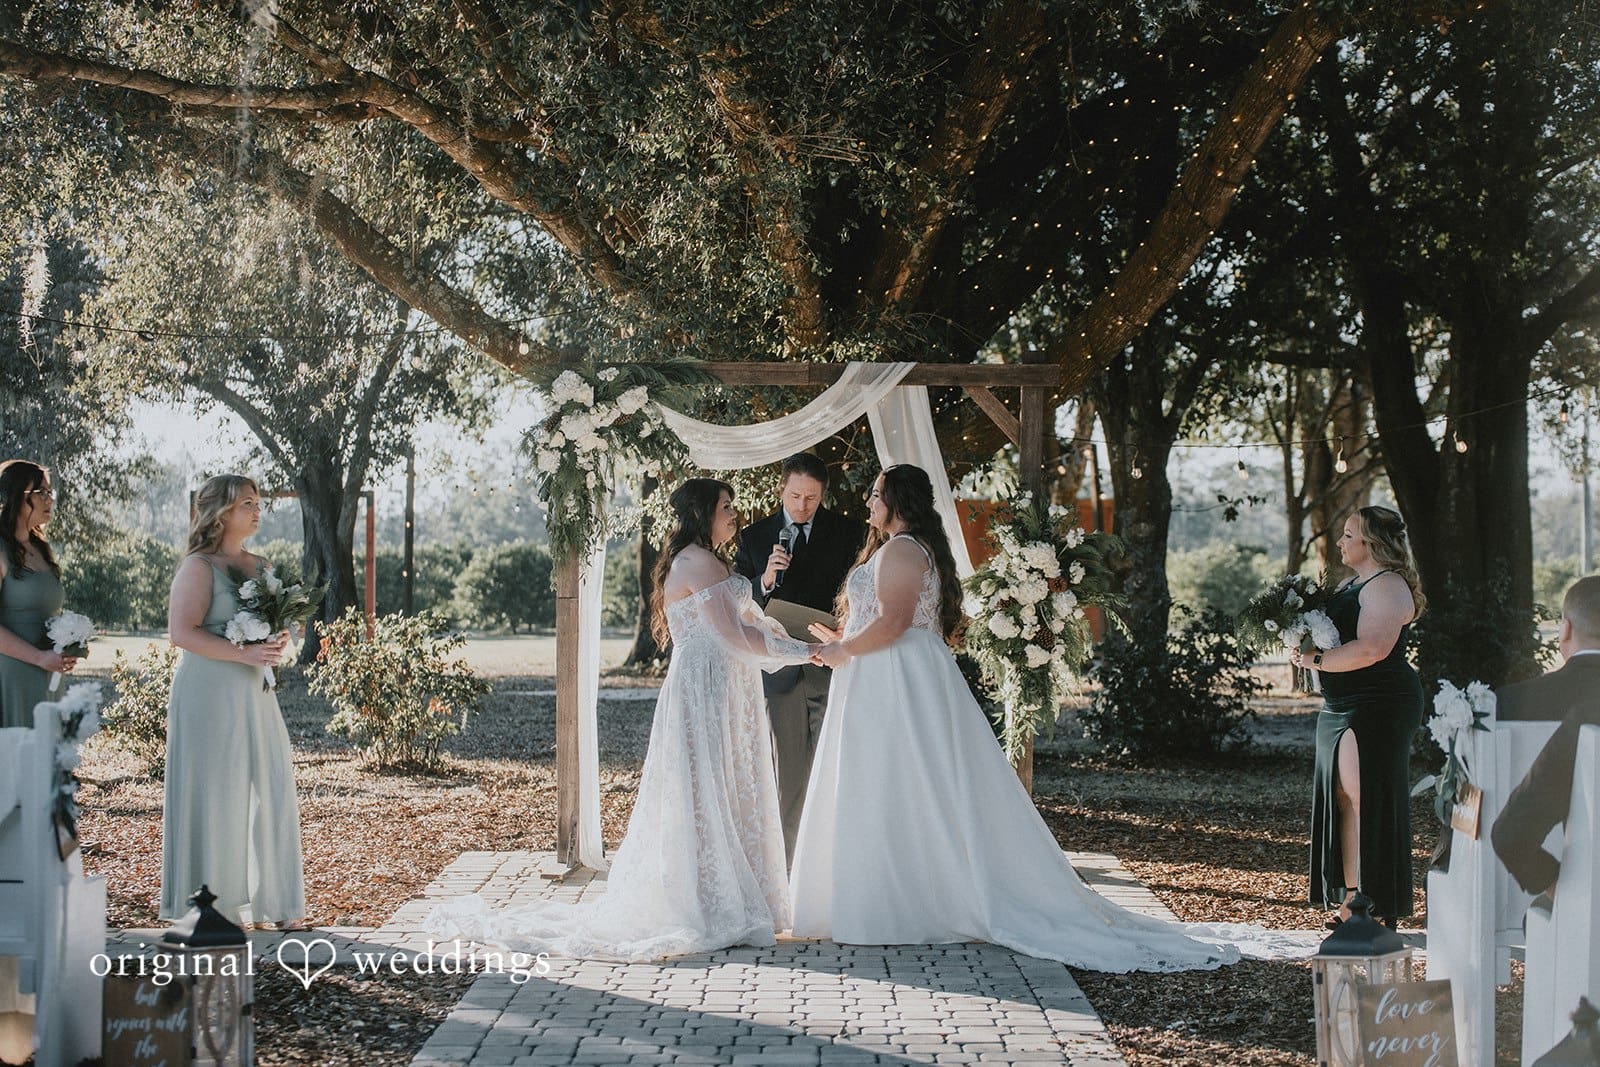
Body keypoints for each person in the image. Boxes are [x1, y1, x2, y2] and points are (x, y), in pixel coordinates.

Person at [789, 465, 1297, 972]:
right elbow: (886, 620)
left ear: (899, 501)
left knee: (898, 783)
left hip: (896, 681)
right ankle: (894, 894)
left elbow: (895, 621)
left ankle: (904, 903)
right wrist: (845, 642)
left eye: (876, 495)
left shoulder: (902, 548)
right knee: (897, 786)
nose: (868, 503)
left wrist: (845, 649)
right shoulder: (898, 546)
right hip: (883, 674)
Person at [429, 478, 816, 960]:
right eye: (725, 507)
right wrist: (807, 651)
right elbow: (735, 636)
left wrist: (799, 642)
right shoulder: (696, 561)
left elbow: (751, 623)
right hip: (706, 688)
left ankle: (727, 892)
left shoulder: (707, 559)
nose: (734, 514)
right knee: (705, 789)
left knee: (720, 786)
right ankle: (705, 898)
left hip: (724, 686)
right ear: (701, 513)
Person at [159, 474, 306, 929]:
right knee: (216, 792)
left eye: (258, 502)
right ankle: (213, 905)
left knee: (272, 785)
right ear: (220, 512)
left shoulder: (261, 566)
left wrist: (278, 638)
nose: (257, 510)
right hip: (208, 692)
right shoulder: (199, 567)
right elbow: (182, 633)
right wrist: (243, 651)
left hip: (253, 691)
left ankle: (276, 902)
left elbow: (271, 621)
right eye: (247, 503)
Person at [1292, 506, 1426, 927]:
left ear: (1371, 542)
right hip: (1339, 704)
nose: (1340, 542)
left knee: (1365, 796)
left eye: (1349, 535)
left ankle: (1374, 900)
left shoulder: (1387, 586)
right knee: (1344, 799)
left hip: (1376, 703)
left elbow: (1372, 650)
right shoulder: (1354, 582)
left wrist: (1316, 659)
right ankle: (1352, 894)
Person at [733, 454, 865, 864]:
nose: (803, 505)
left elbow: (859, 595)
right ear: (780, 490)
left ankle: (829, 863)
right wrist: (767, 579)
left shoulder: (849, 532)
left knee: (832, 770)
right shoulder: (755, 537)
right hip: (780, 671)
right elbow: (738, 603)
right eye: (795, 496)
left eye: (812, 497)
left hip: (833, 664)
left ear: (823, 494)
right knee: (786, 775)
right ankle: (788, 866)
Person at [1490, 575, 1600, 896]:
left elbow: (1511, 835)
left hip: (1583, 896)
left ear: (1564, 629)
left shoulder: (1509, 703)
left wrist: (1563, 894)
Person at [0, 460, 78, 730]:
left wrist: (68, 642)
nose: (49, 499)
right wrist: (38, 658)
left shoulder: (41, 548)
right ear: (16, 496)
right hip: (10, 677)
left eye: (50, 492)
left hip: (48, 674)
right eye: (41, 493)